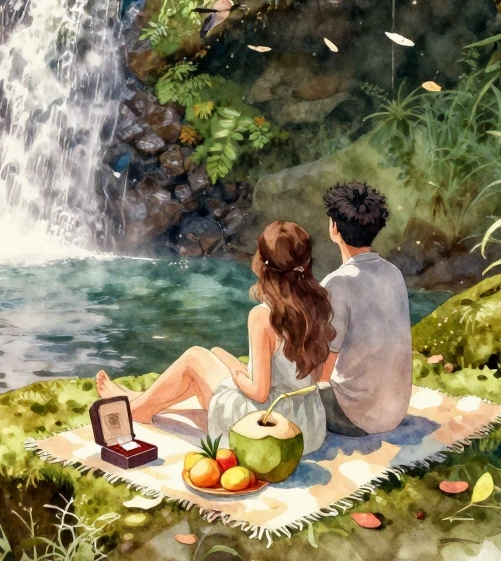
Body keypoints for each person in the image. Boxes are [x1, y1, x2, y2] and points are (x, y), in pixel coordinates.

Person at [96, 221, 335, 454]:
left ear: (262, 263)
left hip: (271, 430)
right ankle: (140, 398)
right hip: (308, 425)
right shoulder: (317, 303)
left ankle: (137, 408)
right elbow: (313, 374)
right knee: (218, 353)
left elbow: (259, 393)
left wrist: (238, 374)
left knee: (194, 358)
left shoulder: (263, 317)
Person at [317, 181, 411, 436]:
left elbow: (324, 370)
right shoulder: (394, 274)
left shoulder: (336, 284)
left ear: (334, 227)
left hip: (356, 418)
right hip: (396, 410)